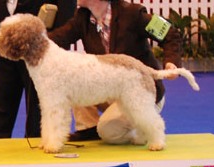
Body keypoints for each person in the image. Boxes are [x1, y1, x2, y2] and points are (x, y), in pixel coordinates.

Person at [49, 0, 182, 144]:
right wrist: (33, 38)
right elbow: (58, 38)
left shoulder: (134, 13)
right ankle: (89, 129)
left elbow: (170, 33)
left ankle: (142, 129)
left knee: (109, 132)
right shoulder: (83, 17)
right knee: (78, 75)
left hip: (139, 90)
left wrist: (171, 62)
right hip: (109, 90)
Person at [0, 0, 76, 138]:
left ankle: (37, 138)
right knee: (3, 95)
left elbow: (67, 5)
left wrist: (58, 38)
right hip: (5, 39)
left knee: (36, 100)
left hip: (37, 43)